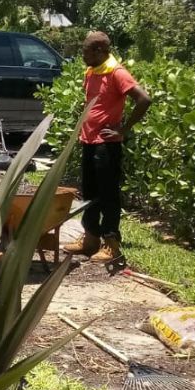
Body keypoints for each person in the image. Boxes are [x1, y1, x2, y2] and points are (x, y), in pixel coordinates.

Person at [62, 31, 152, 265]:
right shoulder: (92, 71)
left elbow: (144, 99)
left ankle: (111, 245)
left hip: (106, 145)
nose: (82, 54)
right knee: (90, 193)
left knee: (108, 195)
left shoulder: (117, 72)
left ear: (100, 51)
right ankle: (90, 240)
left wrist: (123, 130)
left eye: (86, 51)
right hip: (89, 141)